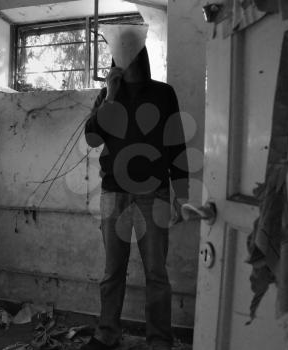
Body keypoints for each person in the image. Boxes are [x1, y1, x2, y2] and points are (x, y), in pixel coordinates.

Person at [82, 44, 188, 350]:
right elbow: (91, 138)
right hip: (113, 191)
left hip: (153, 192)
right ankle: (108, 332)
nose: (124, 58)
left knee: (156, 273)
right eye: (119, 52)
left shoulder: (163, 93)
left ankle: (159, 341)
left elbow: (177, 142)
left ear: (141, 55)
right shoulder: (108, 95)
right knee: (112, 271)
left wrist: (182, 194)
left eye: (130, 51)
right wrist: (111, 95)